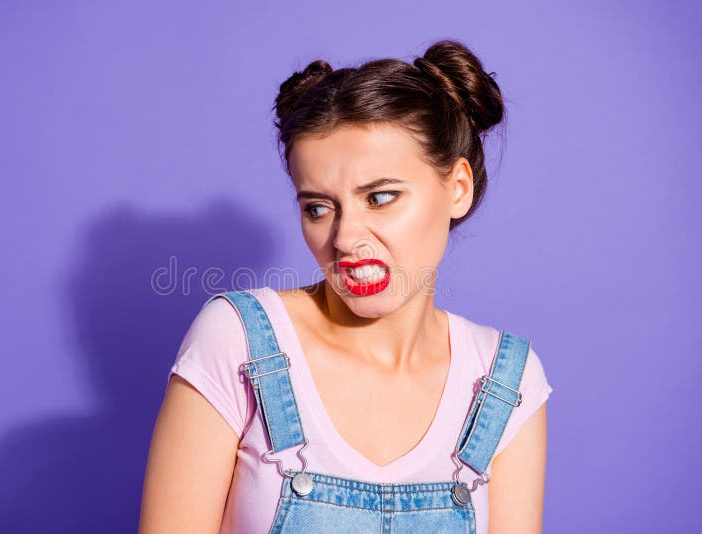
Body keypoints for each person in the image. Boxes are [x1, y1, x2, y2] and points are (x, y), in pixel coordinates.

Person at [139, 39, 553, 534]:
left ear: (457, 188)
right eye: (318, 207)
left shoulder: (506, 383)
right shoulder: (239, 343)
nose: (345, 238)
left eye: (380, 197)